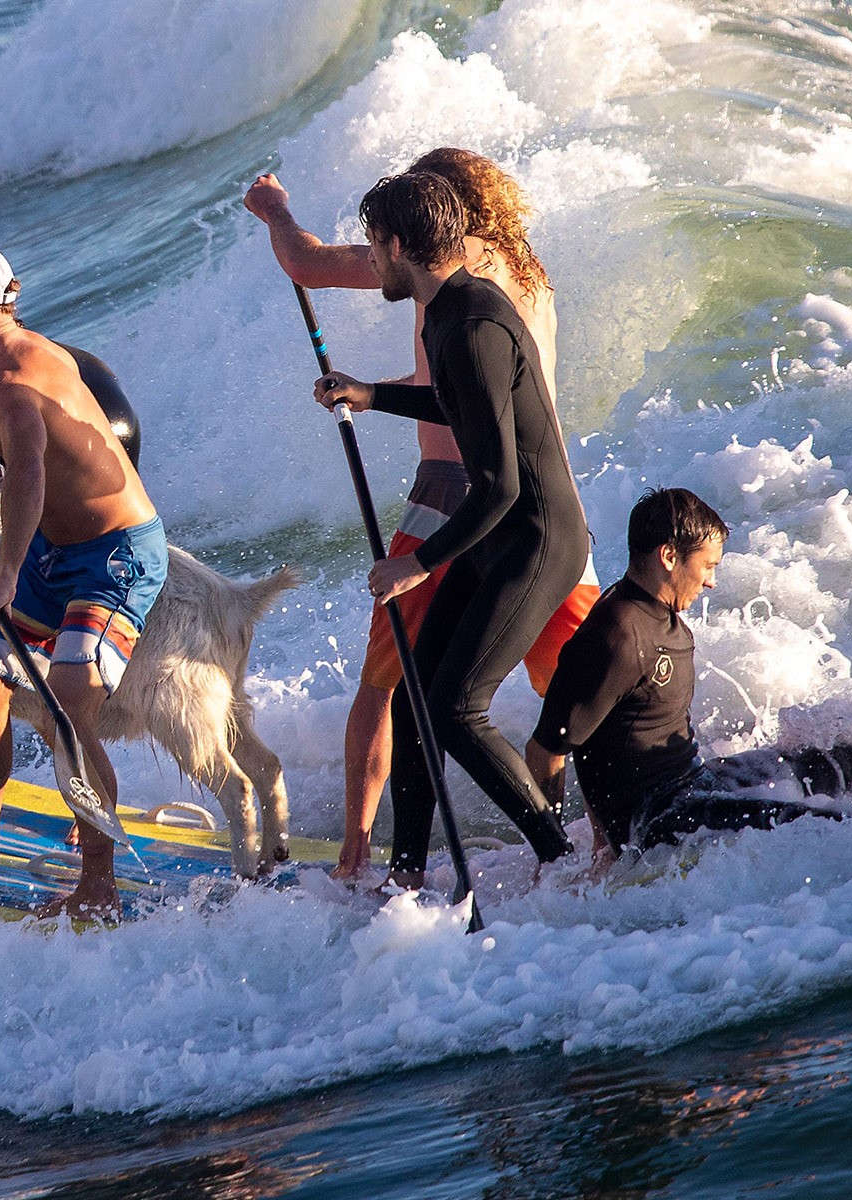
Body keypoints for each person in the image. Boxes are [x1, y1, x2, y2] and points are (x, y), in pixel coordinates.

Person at [244, 148, 599, 880]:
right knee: (510, 688)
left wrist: (417, 562)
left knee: (430, 696)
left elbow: (496, 485)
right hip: (522, 504)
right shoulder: (488, 286)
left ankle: (546, 855)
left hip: (499, 514)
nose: (372, 260)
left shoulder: (465, 317)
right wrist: (371, 394)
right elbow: (460, 397)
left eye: (377, 246)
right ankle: (424, 866)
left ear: (404, 240)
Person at [0, 243, 167, 921]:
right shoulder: (10, 355)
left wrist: (6, 574)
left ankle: (99, 881)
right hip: (55, 548)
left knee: (67, 703)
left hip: (115, 554)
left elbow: (26, 474)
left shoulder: (10, 382)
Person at [527, 488, 852, 871]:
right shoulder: (618, 635)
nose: (711, 582)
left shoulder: (655, 615)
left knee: (844, 760)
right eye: (708, 566)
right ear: (670, 556)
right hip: (660, 819)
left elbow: (593, 732)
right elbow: (549, 748)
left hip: (694, 784)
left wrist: (598, 837)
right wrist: (559, 859)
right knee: (821, 824)